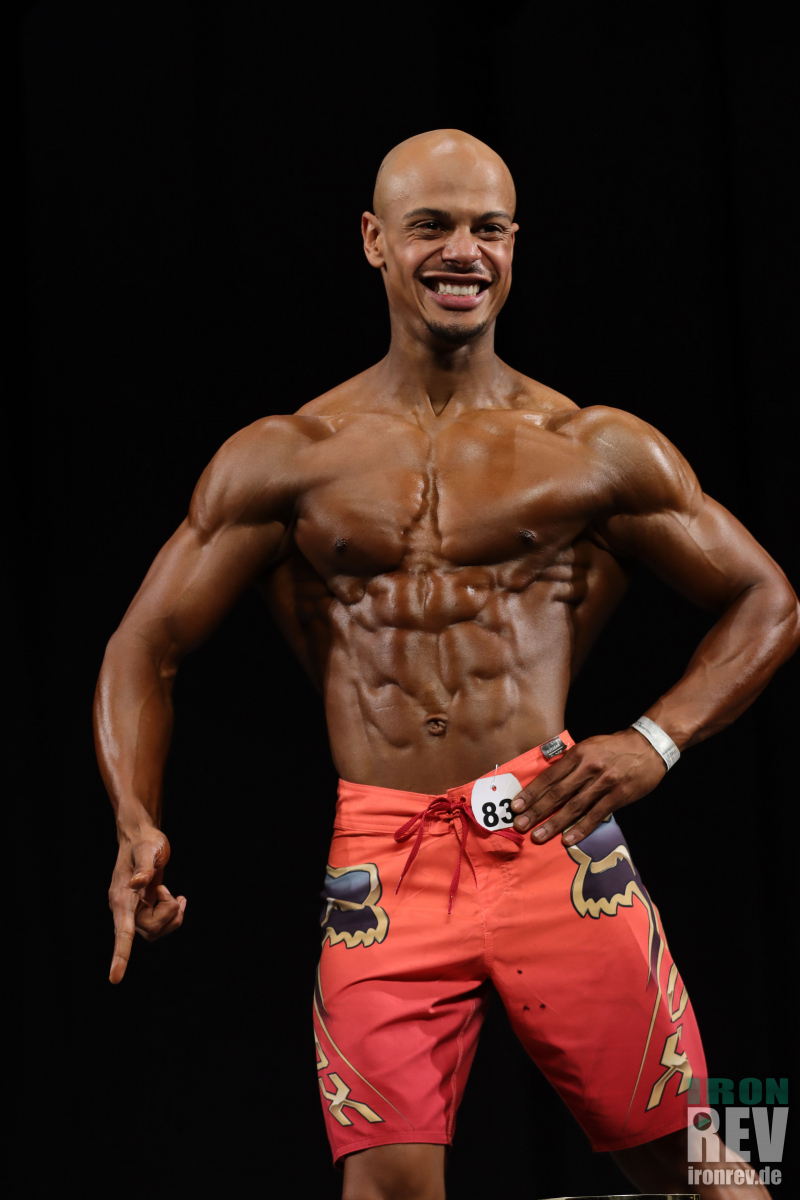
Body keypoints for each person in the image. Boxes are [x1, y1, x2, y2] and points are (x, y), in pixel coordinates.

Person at [94, 129, 798, 1198]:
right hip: (381, 861)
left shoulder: (595, 445)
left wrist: (654, 742)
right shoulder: (287, 455)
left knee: (695, 1160)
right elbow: (144, 644)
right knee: (383, 1187)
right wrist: (133, 820)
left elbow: (767, 598)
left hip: (553, 834)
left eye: (487, 228)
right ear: (374, 240)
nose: (461, 251)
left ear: (513, 246)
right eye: (430, 225)